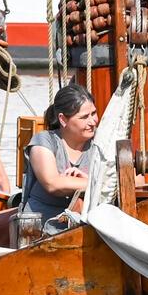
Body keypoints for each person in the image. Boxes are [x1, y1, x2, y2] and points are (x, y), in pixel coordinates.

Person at [21, 84, 101, 223]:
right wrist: (94, 182)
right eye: (84, 117)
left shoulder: (100, 144)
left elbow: (135, 181)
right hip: (38, 229)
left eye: (93, 113)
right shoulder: (44, 141)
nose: (93, 121)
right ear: (63, 119)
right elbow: (53, 184)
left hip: (85, 227)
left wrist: (85, 180)